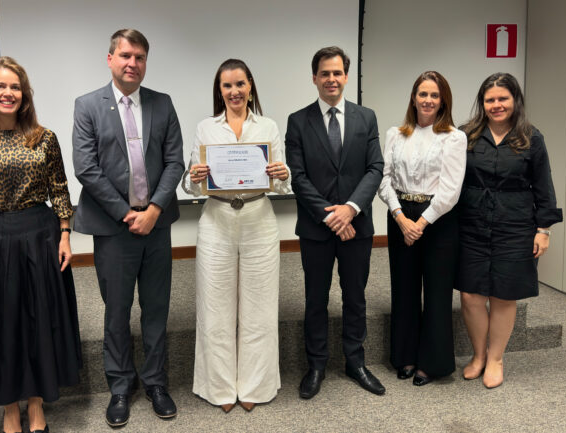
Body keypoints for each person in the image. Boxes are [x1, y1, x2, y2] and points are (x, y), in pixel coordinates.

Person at [0, 56, 82, 433]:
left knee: (39, 321)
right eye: (0, 86)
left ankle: (37, 404)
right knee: (1, 325)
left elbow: (59, 189)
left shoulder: (44, 138)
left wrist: (65, 234)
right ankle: (10, 407)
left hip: (39, 238)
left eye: (15, 87)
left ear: (24, 94)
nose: (8, 93)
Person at [71, 29, 184, 427]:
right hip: (113, 227)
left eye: (139, 57)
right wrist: (125, 213)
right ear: (110, 59)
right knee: (117, 310)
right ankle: (120, 386)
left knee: (156, 308)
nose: (132, 63)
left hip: (157, 225)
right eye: (125, 55)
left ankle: (155, 382)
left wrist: (153, 209)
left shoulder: (162, 103)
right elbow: (86, 168)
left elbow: (175, 161)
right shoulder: (88, 106)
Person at [183, 59, 290, 413]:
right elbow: (190, 185)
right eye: (227, 86)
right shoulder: (206, 128)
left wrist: (283, 174)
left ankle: (255, 385)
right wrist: (194, 177)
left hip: (259, 219)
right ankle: (220, 388)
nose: (234, 92)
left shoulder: (268, 126)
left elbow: (281, 183)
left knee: (260, 307)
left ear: (250, 86)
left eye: (240, 84)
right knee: (215, 308)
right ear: (220, 90)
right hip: (216, 220)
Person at [285, 46, 385, 399]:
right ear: (314, 78)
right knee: (316, 298)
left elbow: (375, 168)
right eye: (324, 73)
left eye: (337, 73)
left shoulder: (366, 117)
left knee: (355, 297)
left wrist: (351, 209)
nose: (331, 79)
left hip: (357, 225)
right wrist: (331, 215)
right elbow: (298, 177)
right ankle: (316, 365)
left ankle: (355, 362)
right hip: (317, 228)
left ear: (346, 76)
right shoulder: (298, 121)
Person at [457, 72, 562, 389]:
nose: (496, 105)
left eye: (502, 98)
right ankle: (478, 355)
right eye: (490, 99)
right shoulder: (466, 135)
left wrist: (544, 229)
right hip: (471, 224)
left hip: (515, 225)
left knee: (504, 294)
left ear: (515, 100)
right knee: (470, 295)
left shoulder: (532, 138)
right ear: (482, 103)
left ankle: (496, 358)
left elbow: (544, 187)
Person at [378, 71, 466, 386]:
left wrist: (422, 222)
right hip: (400, 215)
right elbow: (384, 179)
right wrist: (400, 217)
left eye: (434, 95)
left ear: (443, 101)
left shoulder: (454, 137)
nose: (428, 100)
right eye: (422, 94)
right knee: (404, 289)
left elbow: (451, 190)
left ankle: (432, 363)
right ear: (413, 98)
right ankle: (405, 356)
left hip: (438, 218)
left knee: (437, 293)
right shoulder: (395, 134)